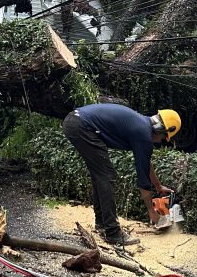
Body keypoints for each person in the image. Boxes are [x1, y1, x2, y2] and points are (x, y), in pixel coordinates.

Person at [62, 103, 180, 247]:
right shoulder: (143, 134)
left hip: (76, 121)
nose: (160, 141)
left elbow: (145, 162)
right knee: (106, 175)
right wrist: (152, 211)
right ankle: (113, 233)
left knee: (100, 175)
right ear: (161, 130)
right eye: (163, 138)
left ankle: (102, 224)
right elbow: (143, 180)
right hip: (82, 126)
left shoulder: (142, 126)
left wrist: (158, 186)